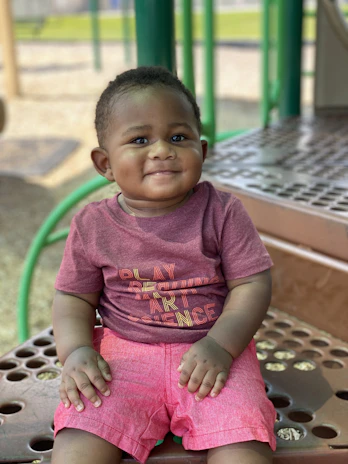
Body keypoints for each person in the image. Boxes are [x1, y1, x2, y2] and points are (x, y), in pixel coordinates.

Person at [51, 66, 276, 464]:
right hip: (123, 357)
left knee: (244, 444)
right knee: (80, 437)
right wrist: (75, 352)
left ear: (201, 152)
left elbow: (251, 284)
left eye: (178, 137)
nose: (161, 150)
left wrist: (221, 346)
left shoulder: (222, 212)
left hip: (214, 352)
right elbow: (73, 299)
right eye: (140, 139)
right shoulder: (92, 225)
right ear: (104, 163)